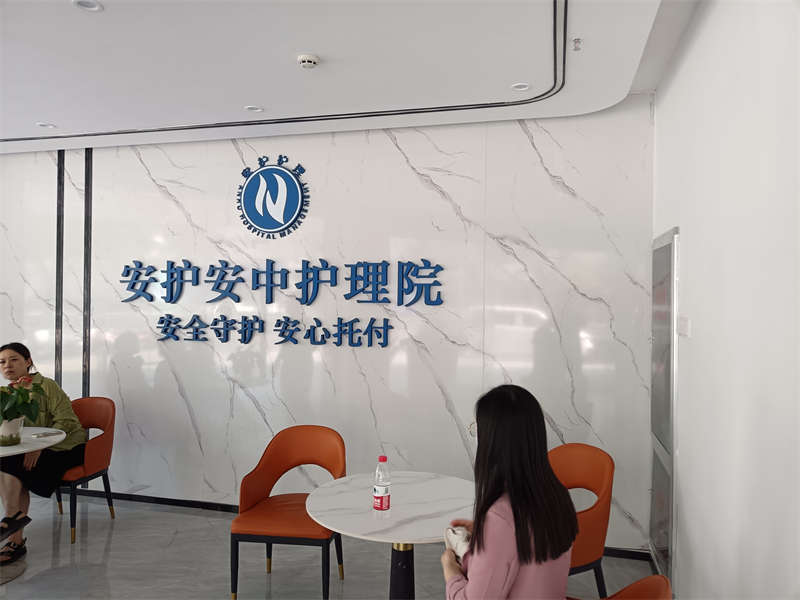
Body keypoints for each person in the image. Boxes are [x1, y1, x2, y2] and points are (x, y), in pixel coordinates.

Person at [441, 384, 578, 599]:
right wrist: (483, 536)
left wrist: (450, 571)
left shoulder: (501, 516)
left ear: (492, 441)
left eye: (478, 429)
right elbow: (523, 554)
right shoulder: (556, 493)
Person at [0, 342, 87, 564]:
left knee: (11, 467)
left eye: (14, 359)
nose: (7, 365)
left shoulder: (46, 386)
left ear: (28, 361)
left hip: (65, 447)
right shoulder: (6, 393)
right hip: (29, 449)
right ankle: (14, 528)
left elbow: (67, 421)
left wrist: (40, 446)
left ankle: (13, 529)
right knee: (8, 464)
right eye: (2, 362)